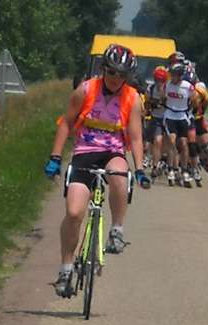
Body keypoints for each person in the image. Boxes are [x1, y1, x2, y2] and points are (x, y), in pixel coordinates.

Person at [44, 44, 151, 298]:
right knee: (73, 213)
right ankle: (66, 269)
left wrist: (140, 168)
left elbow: (135, 137)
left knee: (118, 175)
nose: (116, 79)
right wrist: (55, 157)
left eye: (122, 75)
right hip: (84, 153)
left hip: (113, 152)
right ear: (104, 69)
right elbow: (66, 123)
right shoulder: (86, 89)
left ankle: (116, 231)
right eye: (112, 72)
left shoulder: (133, 98)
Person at [164, 62, 196, 187]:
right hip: (170, 115)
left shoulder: (187, 87)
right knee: (172, 141)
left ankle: (184, 170)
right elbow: (163, 97)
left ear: (180, 75)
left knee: (183, 143)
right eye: (171, 75)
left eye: (174, 75)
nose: (172, 77)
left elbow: (194, 99)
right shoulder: (167, 85)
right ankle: (171, 168)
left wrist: (191, 109)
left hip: (182, 116)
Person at [145, 66, 169, 180]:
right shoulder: (151, 88)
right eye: (157, 80)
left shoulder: (168, 89)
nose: (159, 83)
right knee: (157, 141)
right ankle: (155, 166)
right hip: (156, 118)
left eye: (161, 81)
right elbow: (147, 103)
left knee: (169, 143)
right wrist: (152, 103)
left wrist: (163, 98)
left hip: (168, 119)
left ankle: (166, 162)